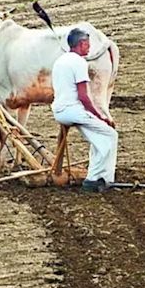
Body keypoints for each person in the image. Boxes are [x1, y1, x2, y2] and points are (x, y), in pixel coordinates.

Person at [51, 28, 118, 192]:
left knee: (99, 139)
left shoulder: (60, 61)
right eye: (87, 44)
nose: (89, 48)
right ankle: (96, 179)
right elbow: (83, 97)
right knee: (110, 135)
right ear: (81, 44)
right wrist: (100, 116)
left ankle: (98, 176)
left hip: (59, 109)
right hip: (73, 111)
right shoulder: (79, 62)